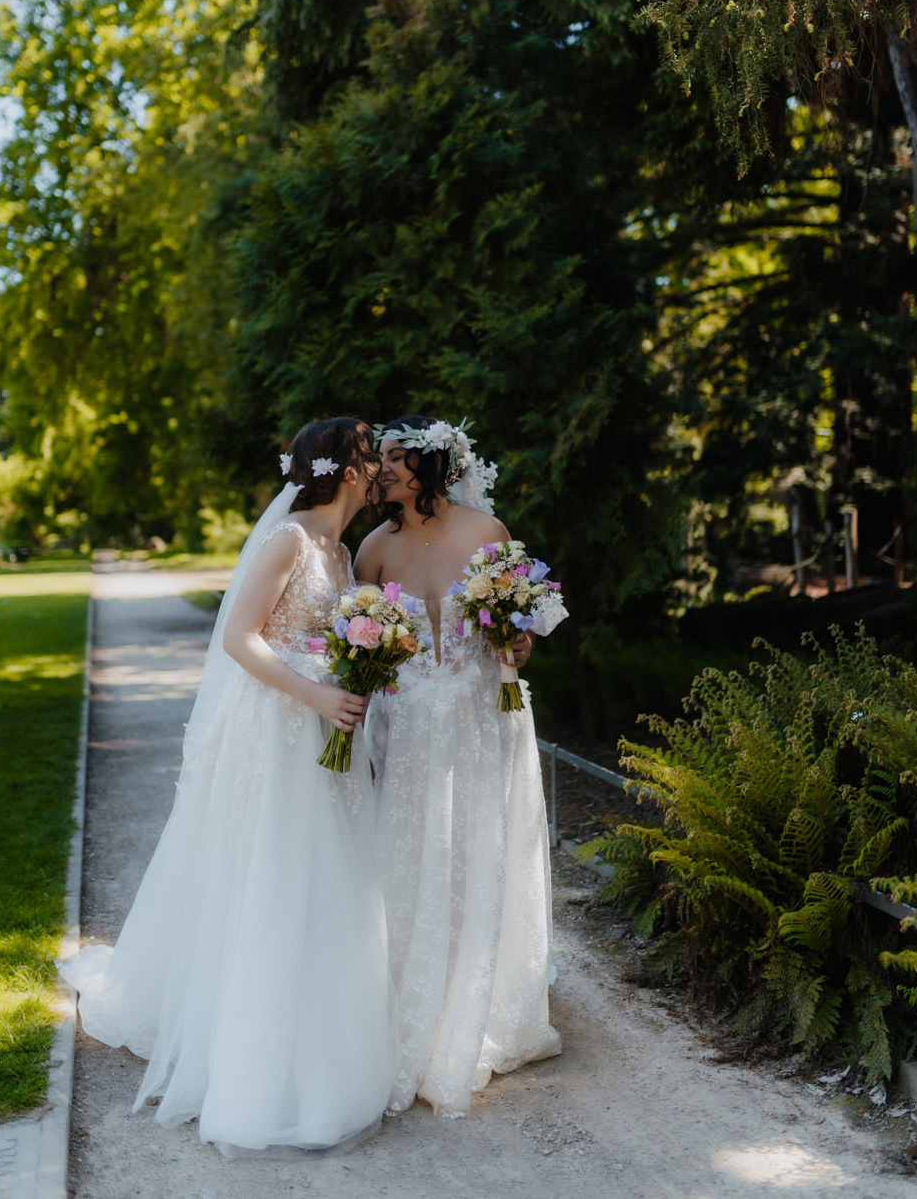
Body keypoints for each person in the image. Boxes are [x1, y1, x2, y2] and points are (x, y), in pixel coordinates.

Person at [61, 418, 397, 1156]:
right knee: (274, 875)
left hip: (325, 728)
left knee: (325, 878)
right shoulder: (290, 542)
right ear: (345, 468)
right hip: (277, 730)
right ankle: (256, 1051)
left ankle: (316, 1028)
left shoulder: (340, 551)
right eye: (373, 456)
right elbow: (239, 635)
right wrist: (314, 698)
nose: (382, 468)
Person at [354, 414, 562, 1118]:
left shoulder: (487, 533)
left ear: (429, 465)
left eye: (390, 458)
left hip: (479, 718)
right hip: (407, 725)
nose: (378, 469)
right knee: (406, 858)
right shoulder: (372, 549)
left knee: (478, 853)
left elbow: (520, 640)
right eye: (377, 458)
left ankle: (475, 1003)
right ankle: (405, 1006)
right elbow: (369, 651)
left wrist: (514, 638)